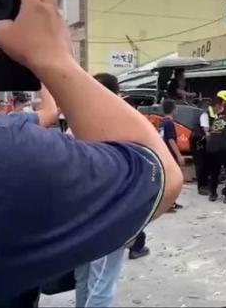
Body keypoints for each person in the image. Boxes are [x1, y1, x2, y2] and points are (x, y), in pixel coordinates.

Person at [0, 0, 182, 307]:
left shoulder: (20, 138)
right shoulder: (7, 146)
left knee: (92, 280)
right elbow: (159, 171)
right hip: (98, 215)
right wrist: (53, 61)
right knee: (100, 284)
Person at [72, 73, 139, 307]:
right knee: (102, 283)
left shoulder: (75, 122)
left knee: (84, 278)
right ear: (116, 94)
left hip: (77, 215)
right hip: (106, 214)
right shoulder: (119, 124)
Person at [159, 99, 186, 211]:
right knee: (172, 180)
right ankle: (169, 204)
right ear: (173, 110)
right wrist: (179, 155)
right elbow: (171, 140)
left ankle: (171, 202)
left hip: (164, 153)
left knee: (168, 179)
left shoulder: (162, 122)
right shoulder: (169, 123)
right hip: (170, 154)